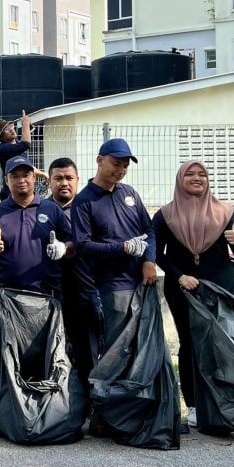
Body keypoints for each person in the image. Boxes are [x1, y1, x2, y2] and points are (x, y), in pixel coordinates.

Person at [152, 160, 234, 430]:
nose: (197, 178)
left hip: (219, 290)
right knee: (190, 344)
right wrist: (178, 275)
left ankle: (222, 401)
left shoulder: (227, 212)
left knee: (221, 344)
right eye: (190, 174)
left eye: (202, 174)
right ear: (179, 179)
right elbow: (156, 252)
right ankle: (194, 404)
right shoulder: (166, 214)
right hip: (184, 288)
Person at [71, 138, 157, 437]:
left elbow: (149, 231)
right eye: (115, 163)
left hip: (143, 283)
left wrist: (148, 260)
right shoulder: (85, 200)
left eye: (124, 165)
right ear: (99, 161)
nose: (120, 170)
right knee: (116, 351)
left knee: (142, 350)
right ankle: (105, 414)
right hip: (113, 286)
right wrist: (121, 248)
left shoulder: (130, 194)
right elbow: (82, 246)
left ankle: (139, 411)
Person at [0, 157, 71, 304]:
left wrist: (63, 248)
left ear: (34, 177)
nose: (21, 180)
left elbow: (71, 243)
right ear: (6, 180)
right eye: (15, 176)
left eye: (26, 175)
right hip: (8, 297)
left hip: (47, 295)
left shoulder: (52, 209)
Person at [48, 157, 101, 396]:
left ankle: (92, 403)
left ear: (78, 180)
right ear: (49, 181)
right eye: (58, 178)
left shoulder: (88, 207)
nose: (64, 183)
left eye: (69, 178)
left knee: (87, 350)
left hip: (84, 290)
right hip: (49, 291)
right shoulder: (41, 209)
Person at [0, 111, 47, 201]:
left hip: (24, 191)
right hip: (10, 193)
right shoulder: (4, 148)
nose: (12, 130)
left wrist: (44, 174)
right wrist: (25, 124)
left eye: (11, 126)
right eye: (6, 129)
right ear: (1, 136)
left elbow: (29, 166)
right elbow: (26, 144)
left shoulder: (17, 145)